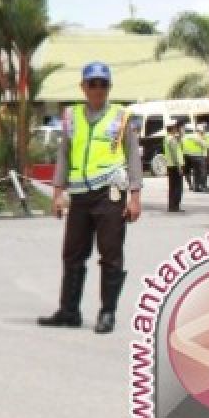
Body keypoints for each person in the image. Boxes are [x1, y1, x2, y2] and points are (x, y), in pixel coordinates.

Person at [39, 62, 142, 335]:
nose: (97, 89)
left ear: (109, 87)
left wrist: (135, 196)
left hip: (110, 192)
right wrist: (57, 192)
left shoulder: (121, 117)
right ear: (83, 87)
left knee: (110, 254)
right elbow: (64, 155)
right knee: (72, 254)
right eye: (92, 83)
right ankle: (69, 311)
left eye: (103, 84)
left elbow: (133, 156)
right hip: (80, 195)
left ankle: (107, 313)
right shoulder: (71, 116)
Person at [164, 120, 185, 213]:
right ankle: (175, 206)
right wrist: (179, 166)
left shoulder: (168, 138)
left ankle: (172, 205)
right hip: (175, 165)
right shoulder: (171, 139)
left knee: (172, 186)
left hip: (171, 165)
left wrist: (180, 134)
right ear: (172, 128)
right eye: (176, 128)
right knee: (177, 187)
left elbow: (180, 141)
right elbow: (174, 154)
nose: (177, 129)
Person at [181, 124, 207, 193]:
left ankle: (190, 185)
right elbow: (204, 145)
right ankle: (197, 186)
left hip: (185, 156)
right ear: (193, 129)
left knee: (187, 171)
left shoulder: (183, 137)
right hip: (196, 156)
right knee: (197, 172)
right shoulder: (195, 136)